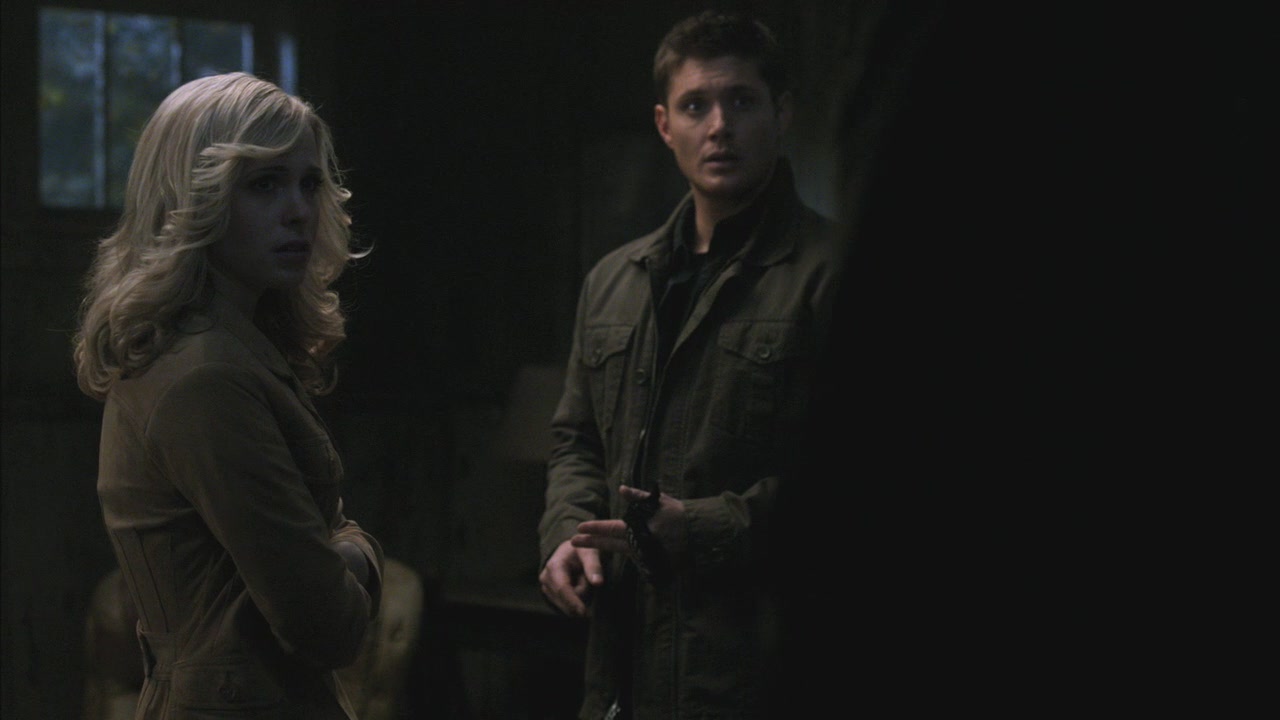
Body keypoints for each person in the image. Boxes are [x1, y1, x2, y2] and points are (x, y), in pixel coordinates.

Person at [538, 11, 843, 718]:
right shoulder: (614, 281)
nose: (720, 126)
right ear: (664, 124)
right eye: (696, 105)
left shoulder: (833, 274)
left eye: (742, 101)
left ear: (782, 113)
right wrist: (567, 535)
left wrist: (702, 528)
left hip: (755, 675)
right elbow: (576, 441)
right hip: (621, 675)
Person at [72, 72, 383, 719]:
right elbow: (328, 624)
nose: (298, 210)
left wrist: (335, 550)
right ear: (193, 196)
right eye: (264, 184)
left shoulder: (233, 346)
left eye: (309, 183)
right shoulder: (206, 374)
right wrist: (360, 552)